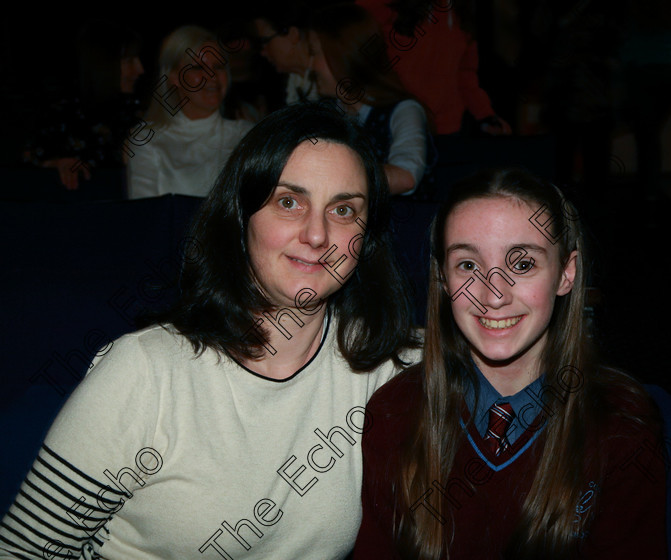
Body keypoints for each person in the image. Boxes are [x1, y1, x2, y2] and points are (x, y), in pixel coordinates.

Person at [0, 103, 421, 559]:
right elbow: (24, 552)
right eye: (288, 202)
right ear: (241, 218)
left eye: (343, 210)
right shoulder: (145, 372)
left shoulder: (385, 367)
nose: (317, 234)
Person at [354, 167, 667, 558]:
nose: (493, 293)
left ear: (565, 274)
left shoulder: (621, 424)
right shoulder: (394, 412)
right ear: (444, 281)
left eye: (522, 264)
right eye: (468, 265)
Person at [308, 3, 431, 196]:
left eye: (315, 53)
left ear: (342, 55)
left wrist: (333, 171)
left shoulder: (403, 110)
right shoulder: (327, 111)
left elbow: (407, 177)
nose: (311, 65)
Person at [127, 25, 253, 198]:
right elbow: (146, 215)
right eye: (198, 67)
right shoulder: (147, 140)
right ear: (174, 77)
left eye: (218, 67)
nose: (212, 76)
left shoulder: (248, 136)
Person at [22, 20, 145, 191]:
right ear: (103, 65)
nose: (140, 69)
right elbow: (25, 163)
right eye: (129, 60)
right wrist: (54, 165)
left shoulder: (139, 112)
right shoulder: (60, 115)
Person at [357, 0, 512, 136]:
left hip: (447, 132)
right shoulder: (378, 6)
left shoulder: (459, 12)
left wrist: (485, 115)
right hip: (394, 127)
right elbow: (349, 55)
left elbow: (465, 75)